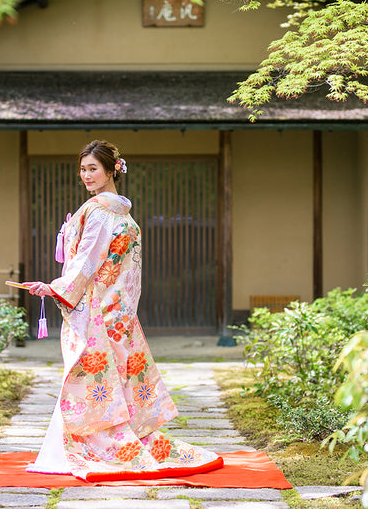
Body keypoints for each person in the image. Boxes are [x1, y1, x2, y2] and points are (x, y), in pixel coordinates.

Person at [22, 140, 224, 482]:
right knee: (112, 381)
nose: (86, 175)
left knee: (89, 379)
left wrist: (54, 287)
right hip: (116, 310)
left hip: (96, 311)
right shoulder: (123, 213)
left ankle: (93, 448)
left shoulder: (99, 212)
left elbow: (87, 261)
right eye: (83, 169)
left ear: (113, 169)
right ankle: (108, 441)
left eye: (93, 168)